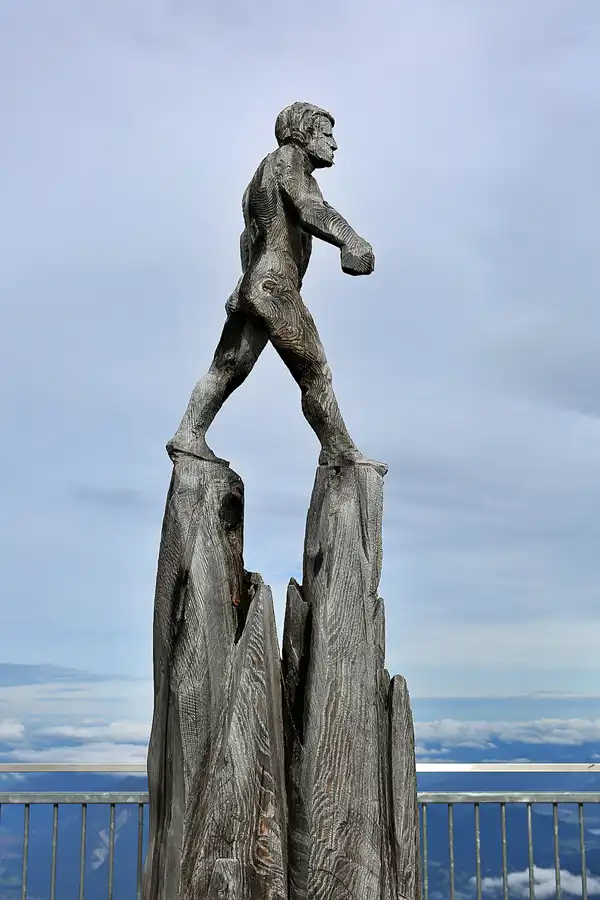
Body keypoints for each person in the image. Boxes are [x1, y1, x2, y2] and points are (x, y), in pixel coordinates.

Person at [167, 101, 386, 473]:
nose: (334, 145)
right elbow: (310, 209)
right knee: (314, 370)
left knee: (227, 367)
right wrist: (351, 239)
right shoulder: (289, 160)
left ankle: (189, 435)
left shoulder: (260, 176)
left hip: (255, 284)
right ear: (303, 133)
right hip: (276, 286)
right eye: (328, 134)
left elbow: (246, 240)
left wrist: (245, 287)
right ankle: (338, 450)